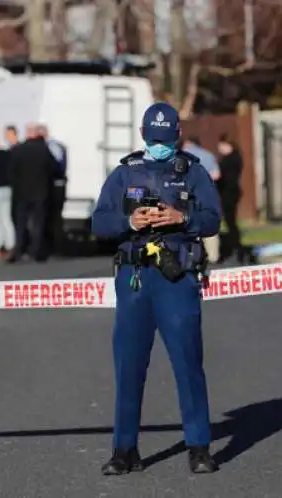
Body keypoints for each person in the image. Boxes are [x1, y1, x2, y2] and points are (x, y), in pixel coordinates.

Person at [92, 102, 221, 476]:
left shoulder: (194, 173)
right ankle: (124, 449)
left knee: (187, 362)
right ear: (142, 135)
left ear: (178, 135)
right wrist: (129, 220)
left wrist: (183, 218)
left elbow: (213, 219)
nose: (159, 145)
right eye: (153, 139)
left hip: (176, 277)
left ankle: (199, 447)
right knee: (128, 365)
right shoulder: (124, 173)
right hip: (134, 279)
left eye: (165, 139)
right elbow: (99, 222)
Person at [7, 123, 58, 263]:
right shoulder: (43, 150)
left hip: (21, 192)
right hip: (41, 191)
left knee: (20, 223)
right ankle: (36, 251)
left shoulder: (18, 149)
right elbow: (54, 168)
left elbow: (11, 171)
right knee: (38, 223)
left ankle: (18, 250)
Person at [182, 137, 221, 263]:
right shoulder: (208, 155)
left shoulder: (184, 156)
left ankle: (192, 255)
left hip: (188, 196)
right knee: (208, 222)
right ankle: (213, 256)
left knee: (189, 223)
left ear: (188, 143)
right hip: (207, 194)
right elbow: (216, 174)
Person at [37, 124, 67, 257]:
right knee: (50, 217)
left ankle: (57, 248)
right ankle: (53, 247)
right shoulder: (52, 146)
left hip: (55, 186)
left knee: (54, 217)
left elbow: (57, 166)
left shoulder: (51, 146)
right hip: (52, 185)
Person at [216, 134, 246, 263]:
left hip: (229, 193)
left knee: (230, 221)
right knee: (230, 221)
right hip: (229, 192)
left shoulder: (231, 159)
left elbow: (223, 176)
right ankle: (236, 246)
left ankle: (237, 247)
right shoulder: (233, 158)